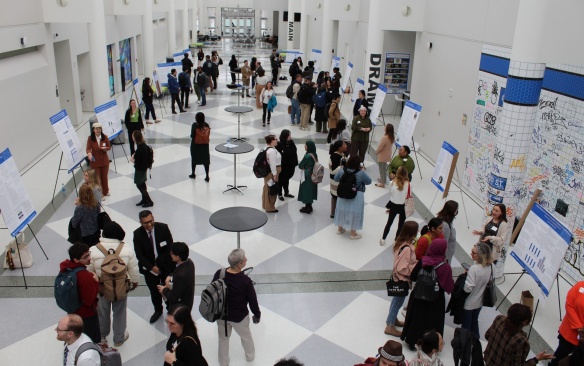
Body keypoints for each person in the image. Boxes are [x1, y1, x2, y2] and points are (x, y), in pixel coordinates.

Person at [87, 221, 139, 347]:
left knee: (102, 312)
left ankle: (103, 336)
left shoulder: (94, 250)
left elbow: (89, 270)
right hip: (121, 286)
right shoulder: (126, 249)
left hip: (102, 288)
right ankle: (119, 338)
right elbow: (133, 268)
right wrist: (134, 282)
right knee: (120, 312)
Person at [401, 238, 454, 351]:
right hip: (436, 300)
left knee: (417, 318)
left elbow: (413, 276)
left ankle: (412, 340)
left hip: (419, 296)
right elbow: (449, 287)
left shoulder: (423, 261)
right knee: (432, 322)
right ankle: (431, 345)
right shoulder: (445, 267)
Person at [213, 249, 261, 366]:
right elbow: (252, 301)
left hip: (222, 315)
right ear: (240, 264)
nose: (246, 260)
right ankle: (250, 357)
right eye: (244, 258)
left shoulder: (219, 273)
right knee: (246, 337)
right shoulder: (245, 281)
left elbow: (213, 290)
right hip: (239, 316)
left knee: (223, 339)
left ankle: (223, 362)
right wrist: (257, 314)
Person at [133, 210, 174, 323]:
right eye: (146, 223)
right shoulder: (137, 234)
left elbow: (170, 246)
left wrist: (160, 263)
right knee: (154, 291)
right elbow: (139, 255)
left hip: (165, 266)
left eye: (151, 221)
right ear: (141, 222)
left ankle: (170, 309)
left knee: (168, 288)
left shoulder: (163, 228)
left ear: (153, 218)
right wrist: (152, 267)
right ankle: (158, 310)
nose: (149, 224)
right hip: (149, 269)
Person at [484, 303, 554, 365]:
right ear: (525, 322)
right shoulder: (521, 341)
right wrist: (536, 359)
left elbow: (487, 335)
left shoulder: (499, 318)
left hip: (489, 361)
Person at [59, 243, 100, 343]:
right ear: (76, 260)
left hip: (72, 311)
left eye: (88, 254)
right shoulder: (85, 276)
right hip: (87, 314)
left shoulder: (66, 269)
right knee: (90, 339)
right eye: (85, 257)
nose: (89, 258)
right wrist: (96, 282)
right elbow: (89, 300)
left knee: (76, 337)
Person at [385, 221, 419, 337]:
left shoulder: (400, 243)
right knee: (398, 302)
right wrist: (413, 267)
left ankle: (393, 320)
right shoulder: (407, 249)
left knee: (395, 300)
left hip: (396, 278)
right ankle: (390, 325)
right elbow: (401, 268)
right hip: (402, 279)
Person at [460, 242, 493, 340]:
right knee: (474, 321)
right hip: (480, 301)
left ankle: (463, 345)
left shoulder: (474, 269)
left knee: (466, 325)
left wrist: (466, 276)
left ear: (480, 255)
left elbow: (467, 288)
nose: (471, 253)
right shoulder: (491, 266)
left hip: (470, 302)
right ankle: (475, 341)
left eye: (474, 252)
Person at [334, 155, 372, 239]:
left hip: (343, 193)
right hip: (356, 195)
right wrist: (362, 171)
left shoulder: (342, 170)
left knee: (342, 210)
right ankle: (353, 233)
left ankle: (340, 229)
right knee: (355, 213)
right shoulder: (361, 173)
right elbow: (369, 181)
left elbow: (336, 179)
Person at [550, 281, 584, 365]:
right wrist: (579, 327)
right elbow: (569, 305)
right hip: (568, 334)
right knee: (557, 360)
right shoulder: (580, 285)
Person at [158, 242, 196, 311]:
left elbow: (174, 297)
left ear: (178, 257)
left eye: (172, 253)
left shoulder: (180, 276)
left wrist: (164, 290)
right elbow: (178, 272)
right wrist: (170, 276)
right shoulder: (189, 262)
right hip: (188, 301)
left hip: (179, 308)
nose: (170, 254)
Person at [380, 166, 410, 245]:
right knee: (401, 224)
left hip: (393, 205)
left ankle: (383, 239)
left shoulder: (392, 183)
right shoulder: (409, 184)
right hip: (403, 206)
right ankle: (396, 240)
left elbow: (390, 193)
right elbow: (409, 195)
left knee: (389, 222)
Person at [86, 122, 111, 197]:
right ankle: (100, 194)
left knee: (104, 177)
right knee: (97, 178)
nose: (98, 130)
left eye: (99, 128)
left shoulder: (105, 137)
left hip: (104, 161)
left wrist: (105, 149)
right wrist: (89, 153)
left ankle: (106, 191)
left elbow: (109, 146)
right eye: (96, 128)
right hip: (95, 162)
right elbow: (88, 148)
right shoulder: (90, 138)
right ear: (93, 130)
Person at [130, 130, 153, 207]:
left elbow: (137, 160)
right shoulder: (143, 145)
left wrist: (132, 160)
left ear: (134, 138)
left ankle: (149, 200)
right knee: (142, 184)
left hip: (140, 169)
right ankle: (144, 199)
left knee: (139, 184)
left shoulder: (140, 148)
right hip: (144, 168)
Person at [276, 129, 298, 201]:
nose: (290, 137)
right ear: (285, 136)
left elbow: (294, 150)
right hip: (284, 166)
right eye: (289, 135)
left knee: (287, 178)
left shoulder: (291, 142)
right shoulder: (279, 144)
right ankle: (279, 193)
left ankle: (286, 192)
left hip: (291, 164)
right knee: (281, 180)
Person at [189, 112, 211, 182]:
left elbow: (192, 135)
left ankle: (193, 173)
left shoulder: (194, 125)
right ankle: (207, 175)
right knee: (206, 160)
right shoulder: (206, 125)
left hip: (196, 145)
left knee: (194, 158)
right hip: (205, 145)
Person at [298, 140, 318, 214]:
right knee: (310, 190)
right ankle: (309, 206)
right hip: (313, 175)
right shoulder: (314, 154)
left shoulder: (307, 156)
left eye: (305, 145)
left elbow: (300, 165)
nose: (304, 146)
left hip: (306, 176)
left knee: (306, 191)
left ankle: (308, 208)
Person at [262, 135, 281, 213]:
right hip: (272, 172)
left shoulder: (265, 148)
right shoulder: (272, 151)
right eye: (275, 139)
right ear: (272, 141)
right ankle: (270, 207)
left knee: (266, 187)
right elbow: (273, 164)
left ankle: (265, 204)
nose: (277, 140)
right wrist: (275, 175)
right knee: (271, 190)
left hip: (267, 172)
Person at [329, 140, 347, 219]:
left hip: (339, 181)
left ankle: (336, 213)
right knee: (335, 197)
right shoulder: (334, 157)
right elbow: (333, 171)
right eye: (344, 144)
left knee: (336, 197)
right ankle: (334, 213)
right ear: (340, 147)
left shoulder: (342, 155)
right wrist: (342, 166)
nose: (346, 145)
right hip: (335, 182)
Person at [375, 124, 395, 188]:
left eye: (385, 127)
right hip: (388, 154)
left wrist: (376, 151)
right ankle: (382, 179)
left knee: (382, 169)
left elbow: (380, 147)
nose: (384, 127)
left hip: (383, 155)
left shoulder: (385, 137)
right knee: (383, 168)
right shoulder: (392, 137)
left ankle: (382, 183)